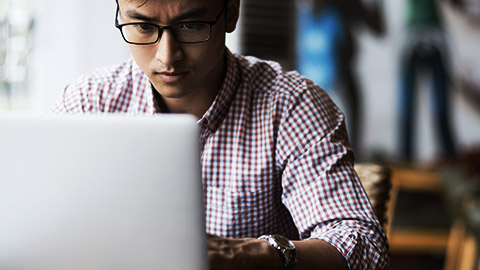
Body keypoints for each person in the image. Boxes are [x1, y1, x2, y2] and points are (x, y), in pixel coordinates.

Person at [52, 0, 389, 269]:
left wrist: (251, 255)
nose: (167, 56)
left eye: (191, 25)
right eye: (143, 26)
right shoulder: (91, 101)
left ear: (231, 12)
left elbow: (364, 248)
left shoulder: (290, 106)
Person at [296, 0, 385, 154]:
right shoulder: (346, 4)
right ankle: (349, 156)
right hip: (331, 70)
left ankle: (347, 155)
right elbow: (377, 28)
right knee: (345, 115)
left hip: (323, 70)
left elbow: (377, 29)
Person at [397, 0, 456, 161]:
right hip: (412, 36)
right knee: (407, 108)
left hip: (434, 35)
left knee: (440, 108)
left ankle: (450, 158)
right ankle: (405, 159)